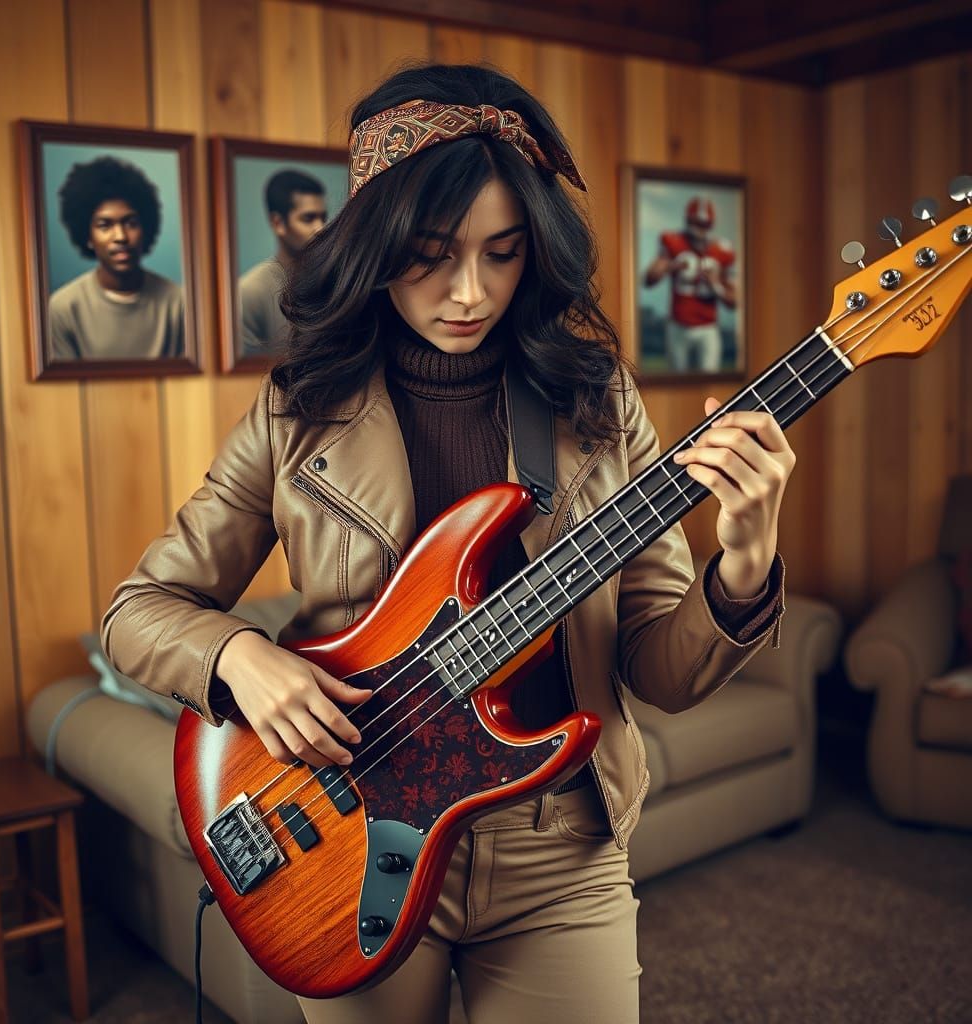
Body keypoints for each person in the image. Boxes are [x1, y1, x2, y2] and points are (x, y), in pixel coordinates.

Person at [102, 63, 792, 1024]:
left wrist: (745, 562)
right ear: (376, 246)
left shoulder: (598, 400)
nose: (470, 292)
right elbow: (135, 614)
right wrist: (238, 656)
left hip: (558, 844)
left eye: (503, 254)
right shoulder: (296, 410)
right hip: (347, 842)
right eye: (431, 255)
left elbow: (661, 674)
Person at [48, 155, 184, 361]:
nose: (120, 236)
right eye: (105, 225)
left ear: (146, 228)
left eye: (130, 223)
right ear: (88, 237)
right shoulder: (64, 308)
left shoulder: (178, 302)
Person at [238, 168, 328, 356]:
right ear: (278, 223)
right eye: (308, 218)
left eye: (323, 218)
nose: (320, 228)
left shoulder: (332, 281)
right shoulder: (251, 292)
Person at [643, 195, 737, 372]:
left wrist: (716, 284)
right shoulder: (673, 242)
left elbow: (734, 301)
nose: (700, 231)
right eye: (696, 224)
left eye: (705, 225)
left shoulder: (723, 251)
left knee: (711, 381)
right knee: (677, 380)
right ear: (687, 221)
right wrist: (670, 266)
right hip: (678, 324)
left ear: (711, 225)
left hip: (708, 326)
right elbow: (649, 279)